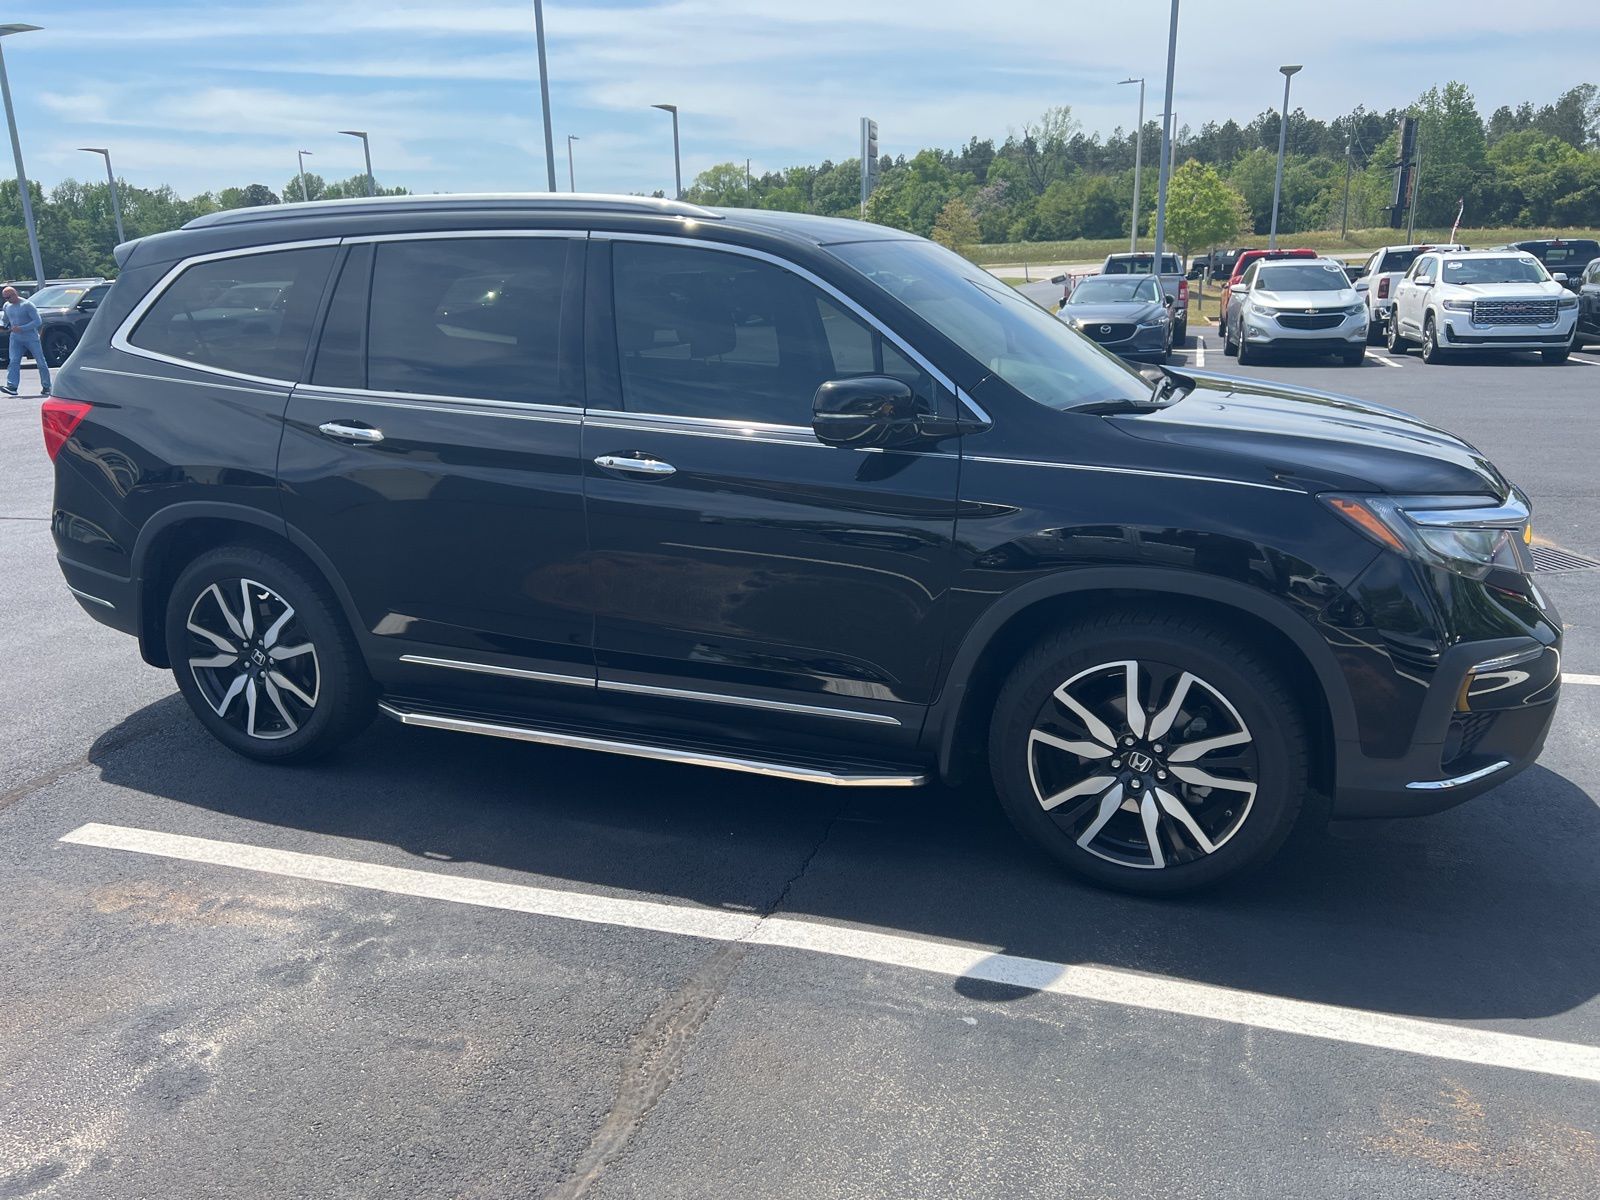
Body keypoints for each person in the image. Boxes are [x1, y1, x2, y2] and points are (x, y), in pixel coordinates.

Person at [2, 285, 51, 397]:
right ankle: (12, 386)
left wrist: (22, 328)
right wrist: (3, 325)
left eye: (8, 297)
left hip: (30, 337)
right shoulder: (7, 306)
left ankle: (46, 386)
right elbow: (5, 319)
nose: (7, 300)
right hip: (15, 338)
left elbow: (37, 321)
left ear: (15, 294)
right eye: (5, 297)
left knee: (40, 361)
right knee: (14, 360)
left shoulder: (27, 305)